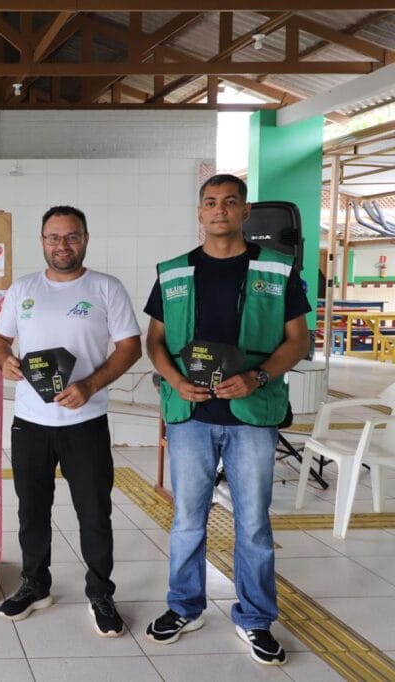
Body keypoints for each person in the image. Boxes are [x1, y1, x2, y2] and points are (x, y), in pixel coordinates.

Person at [143, 174, 310, 666]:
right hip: (190, 414)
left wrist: (257, 377)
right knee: (187, 520)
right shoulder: (173, 273)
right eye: (210, 203)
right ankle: (184, 606)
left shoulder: (277, 270)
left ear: (244, 211)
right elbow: (154, 341)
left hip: (252, 416)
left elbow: (297, 340)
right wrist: (174, 381)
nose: (219, 210)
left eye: (229, 202)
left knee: (254, 522)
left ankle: (256, 617)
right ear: (200, 212)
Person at [0, 206, 141, 636]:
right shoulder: (23, 289)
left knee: (94, 511)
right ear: (42, 241)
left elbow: (130, 347)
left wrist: (90, 385)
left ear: (86, 239)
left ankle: (100, 591)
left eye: (71, 237)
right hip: (31, 421)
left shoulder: (106, 288)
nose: (63, 245)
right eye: (54, 237)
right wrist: (5, 362)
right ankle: (35, 585)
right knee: (32, 508)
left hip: (85, 420)